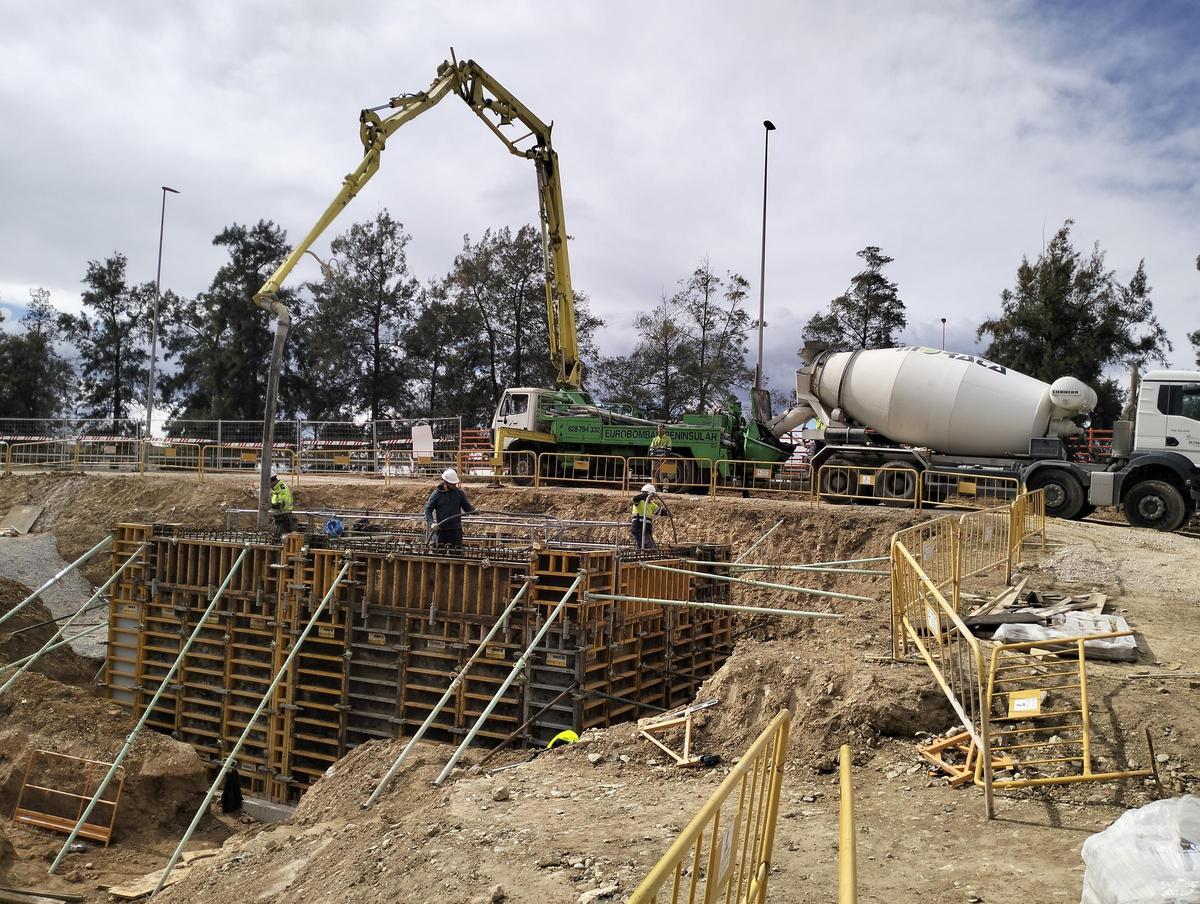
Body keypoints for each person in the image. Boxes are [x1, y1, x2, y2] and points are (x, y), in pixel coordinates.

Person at [424, 468, 476, 548]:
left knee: (457, 554)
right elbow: (428, 510)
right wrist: (432, 523)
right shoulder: (436, 495)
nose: (454, 486)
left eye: (455, 484)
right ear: (446, 483)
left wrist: (474, 511)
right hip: (441, 530)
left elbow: (467, 508)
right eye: (452, 484)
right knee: (439, 554)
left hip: (455, 530)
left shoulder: (459, 494)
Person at [630, 482, 669, 550]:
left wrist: (667, 513)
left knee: (649, 546)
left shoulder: (652, 505)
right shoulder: (639, 502)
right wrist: (646, 495)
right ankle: (642, 556)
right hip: (638, 526)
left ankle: (641, 556)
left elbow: (660, 511)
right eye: (651, 497)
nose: (652, 498)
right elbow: (635, 499)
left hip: (647, 528)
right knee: (647, 546)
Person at [269, 472, 295, 539]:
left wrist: (268, 505)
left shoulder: (282, 489)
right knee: (277, 539)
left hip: (284, 519)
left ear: (271, 481)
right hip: (279, 518)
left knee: (281, 540)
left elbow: (280, 505)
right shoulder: (277, 488)